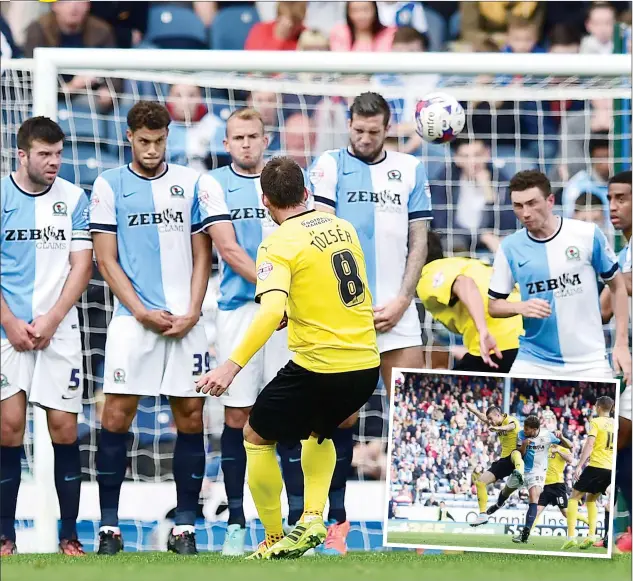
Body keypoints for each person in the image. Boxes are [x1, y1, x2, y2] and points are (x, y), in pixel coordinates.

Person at [196, 156, 380, 560]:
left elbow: (268, 311)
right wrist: (294, 311)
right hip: (366, 363)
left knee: (255, 436)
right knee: (320, 429)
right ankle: (314, 517)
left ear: (265, 200)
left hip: (321, 365)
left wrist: (231, 365)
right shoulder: (341, 226)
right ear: (306, 193)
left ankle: (274, 537)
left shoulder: (277, 242)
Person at [89, 101, 215, 555]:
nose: (151, 149)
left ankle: (185, 526)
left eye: (159, 141)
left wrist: (195, 309)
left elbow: (204, 253)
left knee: (191, 417)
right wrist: (141, 310)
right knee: (116, 417)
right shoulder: (108, 184)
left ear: (168, 136)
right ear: (129, 137)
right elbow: (105, 259)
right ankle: (108, 527)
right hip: (133, 321)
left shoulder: (191, 183)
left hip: (186, 321)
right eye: (143, 141)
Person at [309, 91, 431, 553]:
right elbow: (320, 236)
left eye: (372, 132)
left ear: (388, 127)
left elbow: (419, 241)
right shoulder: (327, 166)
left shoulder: (410, 169)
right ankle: (336, 524)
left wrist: (403, 298)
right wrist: (348, 304)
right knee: (341, 419)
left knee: (412, 413)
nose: (363, 139)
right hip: (346, 313)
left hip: (398, 312)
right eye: (356, 130)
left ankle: (417, 523)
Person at [199, 108, 293, 556]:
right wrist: (274, 288)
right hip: (240, 310)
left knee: (290, 414)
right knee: (237, 417)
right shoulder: (213, 183)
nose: (246, 144)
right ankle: (236, 521)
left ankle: (296, 523)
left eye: (253, 136)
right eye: (237, 137)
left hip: (289, 314)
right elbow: (229, 248)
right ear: (226, 142)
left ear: (265, 138)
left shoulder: (285, 178)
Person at [0, 117, 93, 556]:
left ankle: (69, 536)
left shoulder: (74, 197)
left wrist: (53, 319)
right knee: (9, 428)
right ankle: (5, 536)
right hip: (7, 330)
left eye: (58, 153)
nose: (54, 162)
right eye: (44, 154)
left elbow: (82, 266)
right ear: (22, 154)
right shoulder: (1, 195)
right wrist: (9, 322)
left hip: (59, 330)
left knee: (64, 430)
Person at [488, 170, 631, 383]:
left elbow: (618, 286)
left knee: (607, 417)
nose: (525, 213)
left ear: (550, 201)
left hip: (589, 361)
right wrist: (520, 307)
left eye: (531, 203)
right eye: (518, 206)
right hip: (533, 360)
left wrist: (620, 345)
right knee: (509, 416)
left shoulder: (587, 234)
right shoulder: (509, 247)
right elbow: (493, 306)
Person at [417, 230, 522, 373]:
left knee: (444, 391)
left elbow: (464, 284)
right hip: (529, 340)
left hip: (498, 344)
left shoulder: (428, 275)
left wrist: (483, 330)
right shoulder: (466, 263)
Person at [509, 416, 572, 544]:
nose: (524, 431)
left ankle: (525, 534)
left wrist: (561, 439)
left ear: (535, 429)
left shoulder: (548, 436)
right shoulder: (521, 435)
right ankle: (525, 532)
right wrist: (524, 445)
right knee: (533, 506)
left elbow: (569, 446)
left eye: (527, 429)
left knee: (538, 502)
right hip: (525, 472)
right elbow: (520, 454)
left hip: (544, 477)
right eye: (524, 428)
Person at [563, 396, 615, 550]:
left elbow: (590, 443)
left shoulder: (596, 422)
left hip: (596, 465)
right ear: (611, 408)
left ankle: (571, 536)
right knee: (591, 500)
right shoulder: (616, 423)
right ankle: (591, 535)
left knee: (573, 497)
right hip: (610, 468)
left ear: (598, 407)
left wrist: (579, 465)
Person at [463, 404, 525, 527]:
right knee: (480, 482)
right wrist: (472, 410)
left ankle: (520, 473)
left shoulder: (511, 420)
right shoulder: (495, 422)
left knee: (515, 454)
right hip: (505, 461)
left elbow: (511, 426)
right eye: (489, 420)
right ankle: (482, 515)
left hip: (517, 457)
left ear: (498, 415)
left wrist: (499, 429)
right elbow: (483, 417)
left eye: (491, 419)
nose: (490, 422)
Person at [531, 444, 590, 532]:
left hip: (557, 485)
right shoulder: (545, 448)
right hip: (545, 485)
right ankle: (526, 535)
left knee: (566, 512)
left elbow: (570, 459)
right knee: (537, 511)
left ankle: (587, 521)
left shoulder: (563, 449)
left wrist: (558, 451)